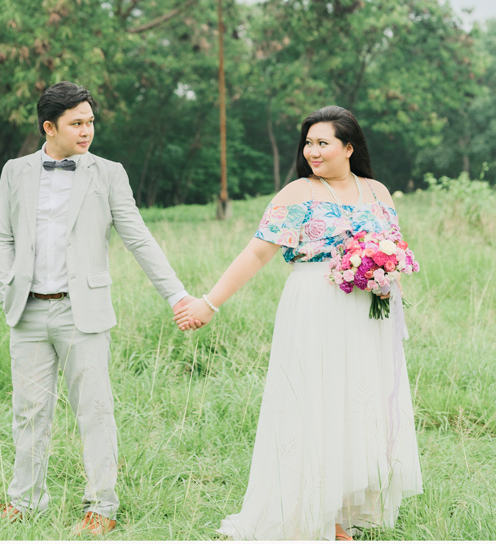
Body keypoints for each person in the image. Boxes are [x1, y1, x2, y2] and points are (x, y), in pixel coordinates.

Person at [173, 105, 423, 541]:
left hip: (370, 312)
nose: (312, 150)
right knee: (316, 401)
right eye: (308, 142)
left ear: (349, 147)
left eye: (322, 142)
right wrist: (209, 303)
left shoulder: (379, 192)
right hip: (315, 304)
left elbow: (395, 247)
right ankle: (318, 516)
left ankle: (343, 506)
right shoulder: (297, 194)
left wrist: (386, 274)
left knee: (358, 403)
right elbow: (256, 253)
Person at [0, 81, 200, 536]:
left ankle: (101, 506)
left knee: (95, 409)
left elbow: (137, 236)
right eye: (76, 123)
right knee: (28, 412)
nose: (87, 131)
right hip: (26, 312)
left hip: (81, 312)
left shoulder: (108, 173)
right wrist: (6, 282)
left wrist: (177, 294)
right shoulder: (15, 171)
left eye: (90, 122)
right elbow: (4, 235)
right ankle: (24, 501)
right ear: (50, 127)